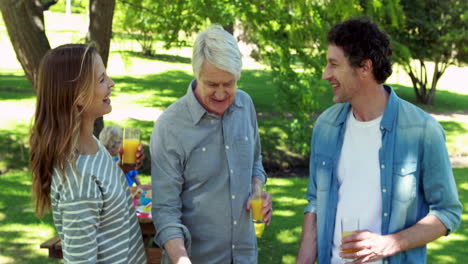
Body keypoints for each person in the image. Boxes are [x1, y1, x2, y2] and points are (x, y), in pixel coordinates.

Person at [296, 19, 463, 264]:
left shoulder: (422, 130)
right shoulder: (326, 126)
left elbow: (447, 212)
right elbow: (315, 204)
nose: (325, 74)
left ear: (364, 67)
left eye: (333, 64)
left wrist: (389, 244)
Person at [150, 24, 272, 264]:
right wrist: (181, 259)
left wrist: (259, 190)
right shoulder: (169, 127)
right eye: (212, 85)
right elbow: (165, 211)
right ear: (197, 75)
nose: (220, 93)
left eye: (229, 84)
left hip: (245, 256)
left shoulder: (245, 106)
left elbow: (255, 162)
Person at [29, 44, 147, 263]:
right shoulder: (79, 183)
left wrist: (121, 169)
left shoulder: (91, 143)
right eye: (102, 79)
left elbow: (102, 203)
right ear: (78, 96)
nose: (111, 83)